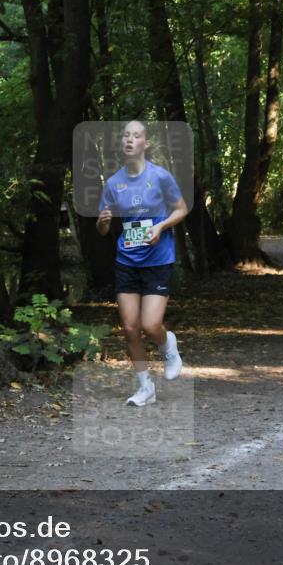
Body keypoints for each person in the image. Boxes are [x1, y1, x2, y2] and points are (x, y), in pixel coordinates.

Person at [96, 120, 189, 406]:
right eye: (126, 135)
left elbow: (182, 209)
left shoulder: (160, 177)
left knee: (150, 326)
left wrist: (160, 228)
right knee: (130, 328)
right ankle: (145, 387)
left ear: (145, 144)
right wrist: (103, 223)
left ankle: (167, 344)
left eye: (136, 135)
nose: (130, 139)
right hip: (127, 260)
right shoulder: (112, 183)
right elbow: (103, 229)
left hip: (158, 259)